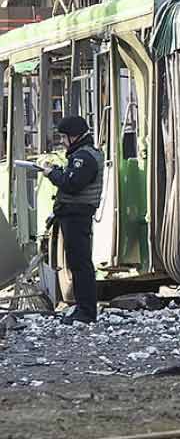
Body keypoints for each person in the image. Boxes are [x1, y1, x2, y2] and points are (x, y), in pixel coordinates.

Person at [42, 116, 104, 325]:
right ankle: (82, 309)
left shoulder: (84, 158)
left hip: (77, 217)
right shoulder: (81, 155)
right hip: (73, 216)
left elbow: (73, 184)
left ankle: (86, 312)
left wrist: (52, 174)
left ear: (74, 136)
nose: (62, 141)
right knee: (77, 263)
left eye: (63, 137)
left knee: (80, 265)